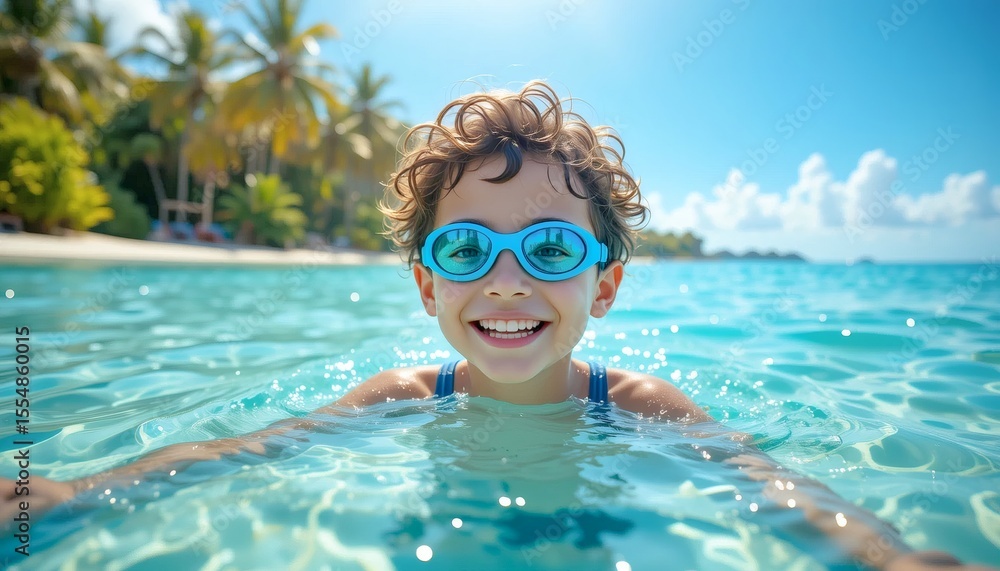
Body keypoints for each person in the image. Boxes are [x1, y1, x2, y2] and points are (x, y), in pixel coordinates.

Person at [2, 82, 993, 570]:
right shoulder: (398, 397)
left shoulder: (644, 406)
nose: (507, 282)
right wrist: (75, 493)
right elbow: (247, 452)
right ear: (426, 287)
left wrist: (893, 558)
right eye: (467, 249)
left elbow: (778, 492)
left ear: (604, 286)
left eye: (551, 249)